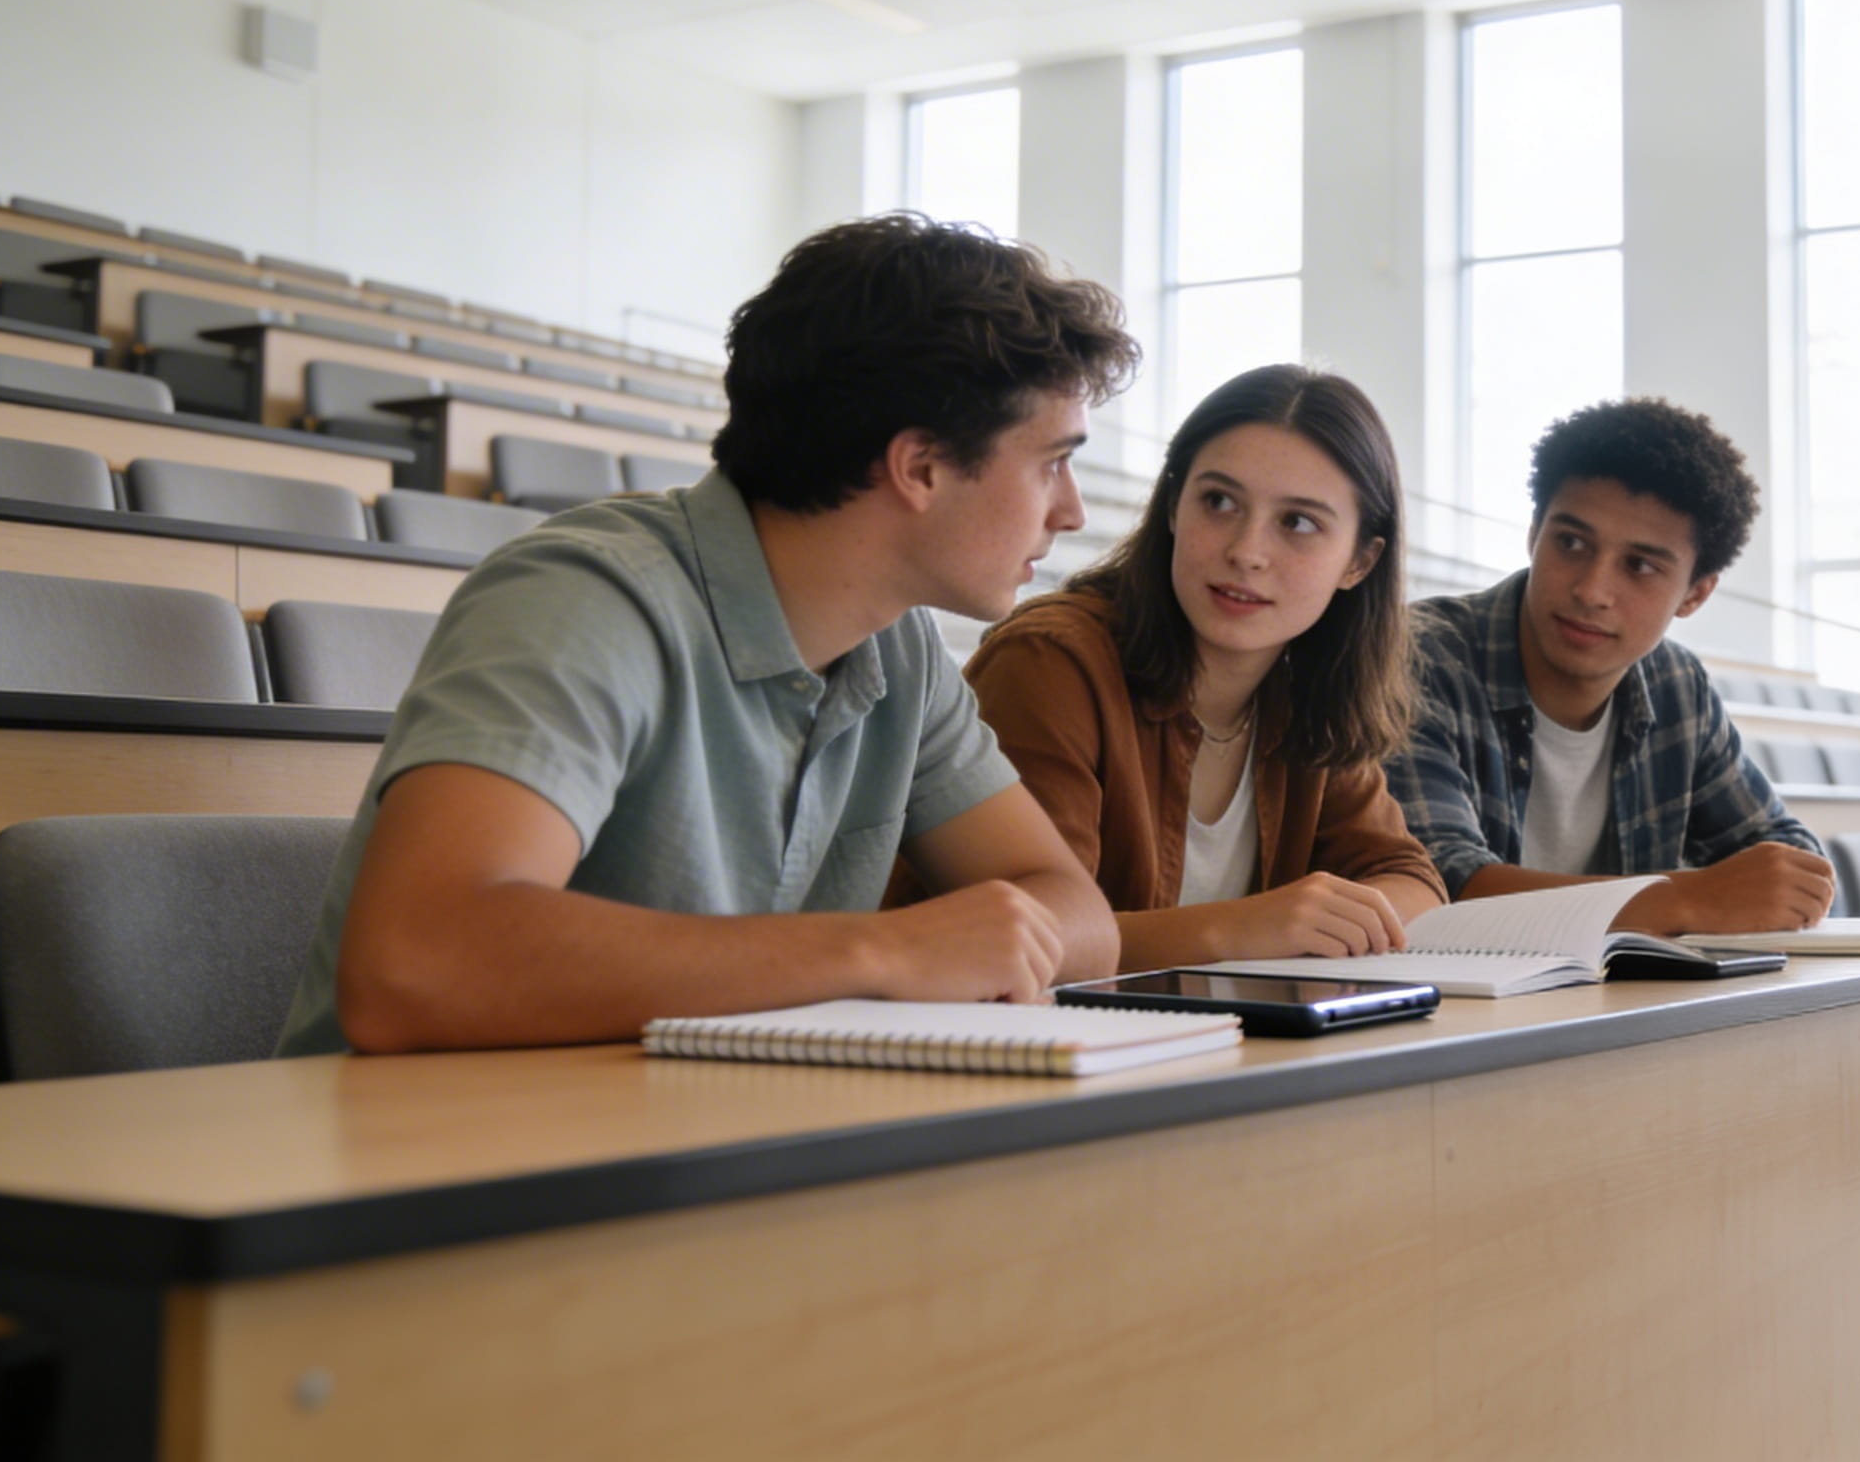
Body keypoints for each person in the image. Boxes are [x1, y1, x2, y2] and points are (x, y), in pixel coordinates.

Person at [276, 215, 1135, 1056]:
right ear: (920, 467)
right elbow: (414, 964)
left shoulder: (897, 649)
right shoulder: (585, 600)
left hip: (683, 1138)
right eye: (1052, 462)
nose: (1072, 511)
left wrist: (969, 941)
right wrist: (880, 952)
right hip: (420, 1162)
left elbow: (1080, 918)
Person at [954, 365, 1446, 969]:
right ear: (1171, 508)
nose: (1246, 551)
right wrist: (1248, 928)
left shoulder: (1304, 688)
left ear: (1360, 562)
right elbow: (1034, 934)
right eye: (1218, 502)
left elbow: (1410, 878)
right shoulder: (1052, 662)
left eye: (1298, 522)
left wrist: (1338, 919)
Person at [1386, 398, 1835, 934]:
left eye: (1640, 566)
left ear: (1694, 594)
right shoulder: (1420, 655)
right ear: (1534, 535)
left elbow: (1787, 857)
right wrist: (1686, 899)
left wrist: (1754, 888)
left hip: (1614, 1009)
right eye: (1571, 542)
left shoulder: (1677, 686)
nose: (1592, 590)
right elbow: (1438, 886)